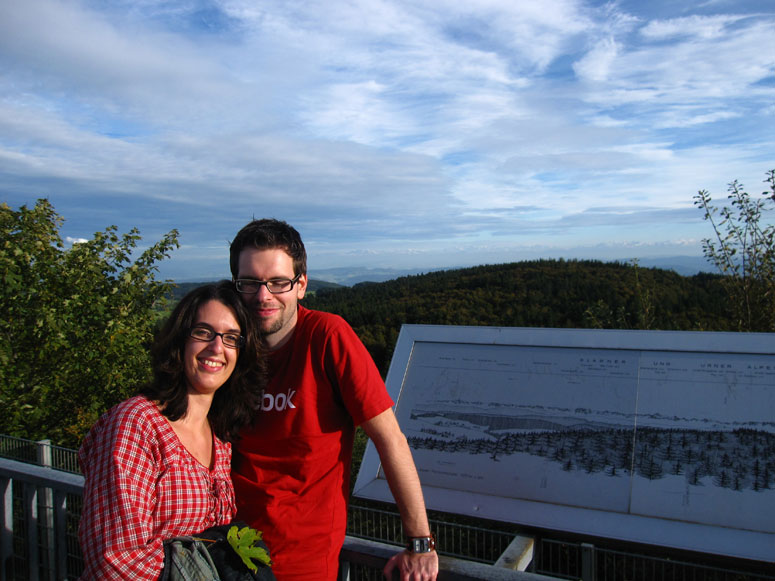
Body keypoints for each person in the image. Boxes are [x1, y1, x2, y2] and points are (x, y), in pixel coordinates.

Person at [229, 219, 439, 581]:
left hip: (299, 563)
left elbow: (390, 438)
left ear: (301, 285)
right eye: (250, 282)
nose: (263, 296)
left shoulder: (327, 337)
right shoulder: (225, 348)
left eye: (278, 282)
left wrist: (420, 542)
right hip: (223, 550)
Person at [78, 281, 265, 580]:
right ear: (180, 340)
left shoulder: (219, 436)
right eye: (203, 332)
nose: (217, 347)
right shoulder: (137, 423)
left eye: (231, 338)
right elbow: (114, 561)